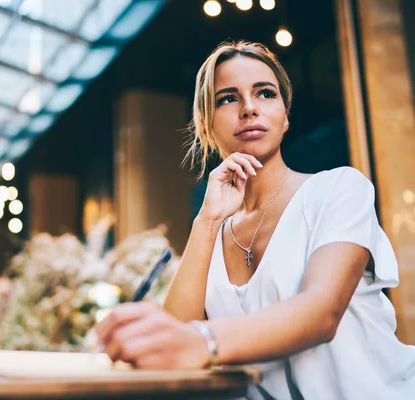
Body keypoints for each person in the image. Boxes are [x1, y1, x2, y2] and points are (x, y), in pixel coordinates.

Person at [94, 41, 415, 399]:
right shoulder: (212, 229)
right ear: (206, 124)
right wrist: (207, 220)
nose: (249, 109)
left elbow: (322, 313)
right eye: (228, 98)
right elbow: (175, 339)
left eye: (265, 93)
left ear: (285, 115)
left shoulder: (340, 189)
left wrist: (204, 341)